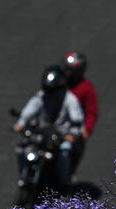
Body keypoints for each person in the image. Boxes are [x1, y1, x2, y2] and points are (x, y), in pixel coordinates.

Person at [13, 64, 84, 192]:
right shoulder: (41, 96)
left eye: (53, 90)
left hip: (60, 137)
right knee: (22, 149)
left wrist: (72, 134)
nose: (50, 93)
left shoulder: (70, 100)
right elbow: (28, 111)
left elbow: (77, 121)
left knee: (64, 153)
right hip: (41, 133)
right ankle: (25, 175)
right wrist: (21, 123)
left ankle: (65, 184)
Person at [62, 51, 97, 174]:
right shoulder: (59, 83)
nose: (66, 72)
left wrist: (86, 131)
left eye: (69, 70)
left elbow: (91, 112)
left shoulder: (86, 88)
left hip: (74, 130)